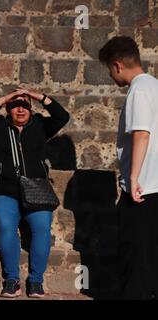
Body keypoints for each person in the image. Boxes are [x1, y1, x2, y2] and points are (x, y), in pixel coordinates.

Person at [0, 88, 69, 298]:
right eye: (15, 105)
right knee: (7, 228)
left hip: (36, 189)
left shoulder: (41, 125)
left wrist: (37, 96)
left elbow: (63, 116)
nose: (20, 109)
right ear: (8, 109)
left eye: (25, 105)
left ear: (31, 108)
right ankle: (12, 280)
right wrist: (6, 97)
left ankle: (36, 281)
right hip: (3, 189)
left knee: (42, 229)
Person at [99, 36, 158, 300]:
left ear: (117, 65)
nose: (112, 76)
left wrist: (132, 178)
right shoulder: (155, 87)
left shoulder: (139, 89)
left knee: (136, 257)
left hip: (143, 187)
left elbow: (141, 133)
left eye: (110, 70)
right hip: (153, 186)